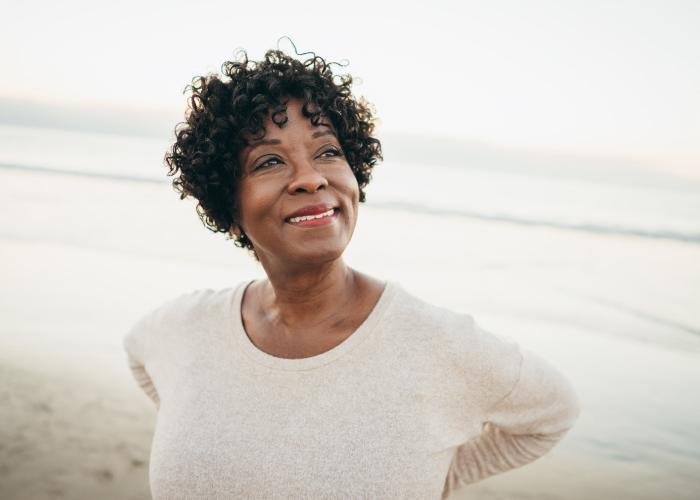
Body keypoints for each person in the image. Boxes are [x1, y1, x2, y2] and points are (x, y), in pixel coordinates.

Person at [123, 47, 581, 499]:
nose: (311, 178)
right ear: (228, 207)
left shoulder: (435, 343)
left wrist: (438, 476)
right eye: (269, 160)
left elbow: (552, 412)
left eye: (327, 151)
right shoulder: (182, 327)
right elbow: (138, 353)